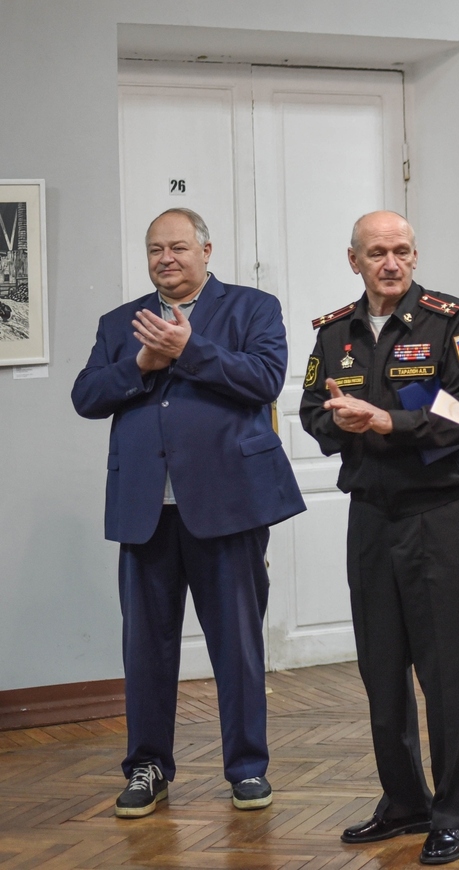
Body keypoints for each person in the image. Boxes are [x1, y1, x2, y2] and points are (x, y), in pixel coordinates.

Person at [71, 207, 305, 818]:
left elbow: (265, 379)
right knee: (146, 650)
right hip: (145, 510)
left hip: (228, 506)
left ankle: (247, 768)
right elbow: (86, 396)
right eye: (155, 249)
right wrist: (140, 365)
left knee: (238, 646)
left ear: (206, 250)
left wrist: (189, 350)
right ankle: (147, 768)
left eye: (177, 247)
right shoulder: (120, 322)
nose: (166, 259)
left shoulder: (252, 308)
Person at [298, 211, 459, 866]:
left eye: (402, 250)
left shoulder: (451, 321)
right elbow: (311, 410)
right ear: (353, 259)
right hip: (372, 516)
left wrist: (386, 422)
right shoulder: (335, 332)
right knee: (381, 669)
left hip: (442, 516)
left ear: (414, 256)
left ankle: (451, 815)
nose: (391, 262)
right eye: (378, 251)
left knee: (447, 675)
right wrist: (342, 422)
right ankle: (404, 802)